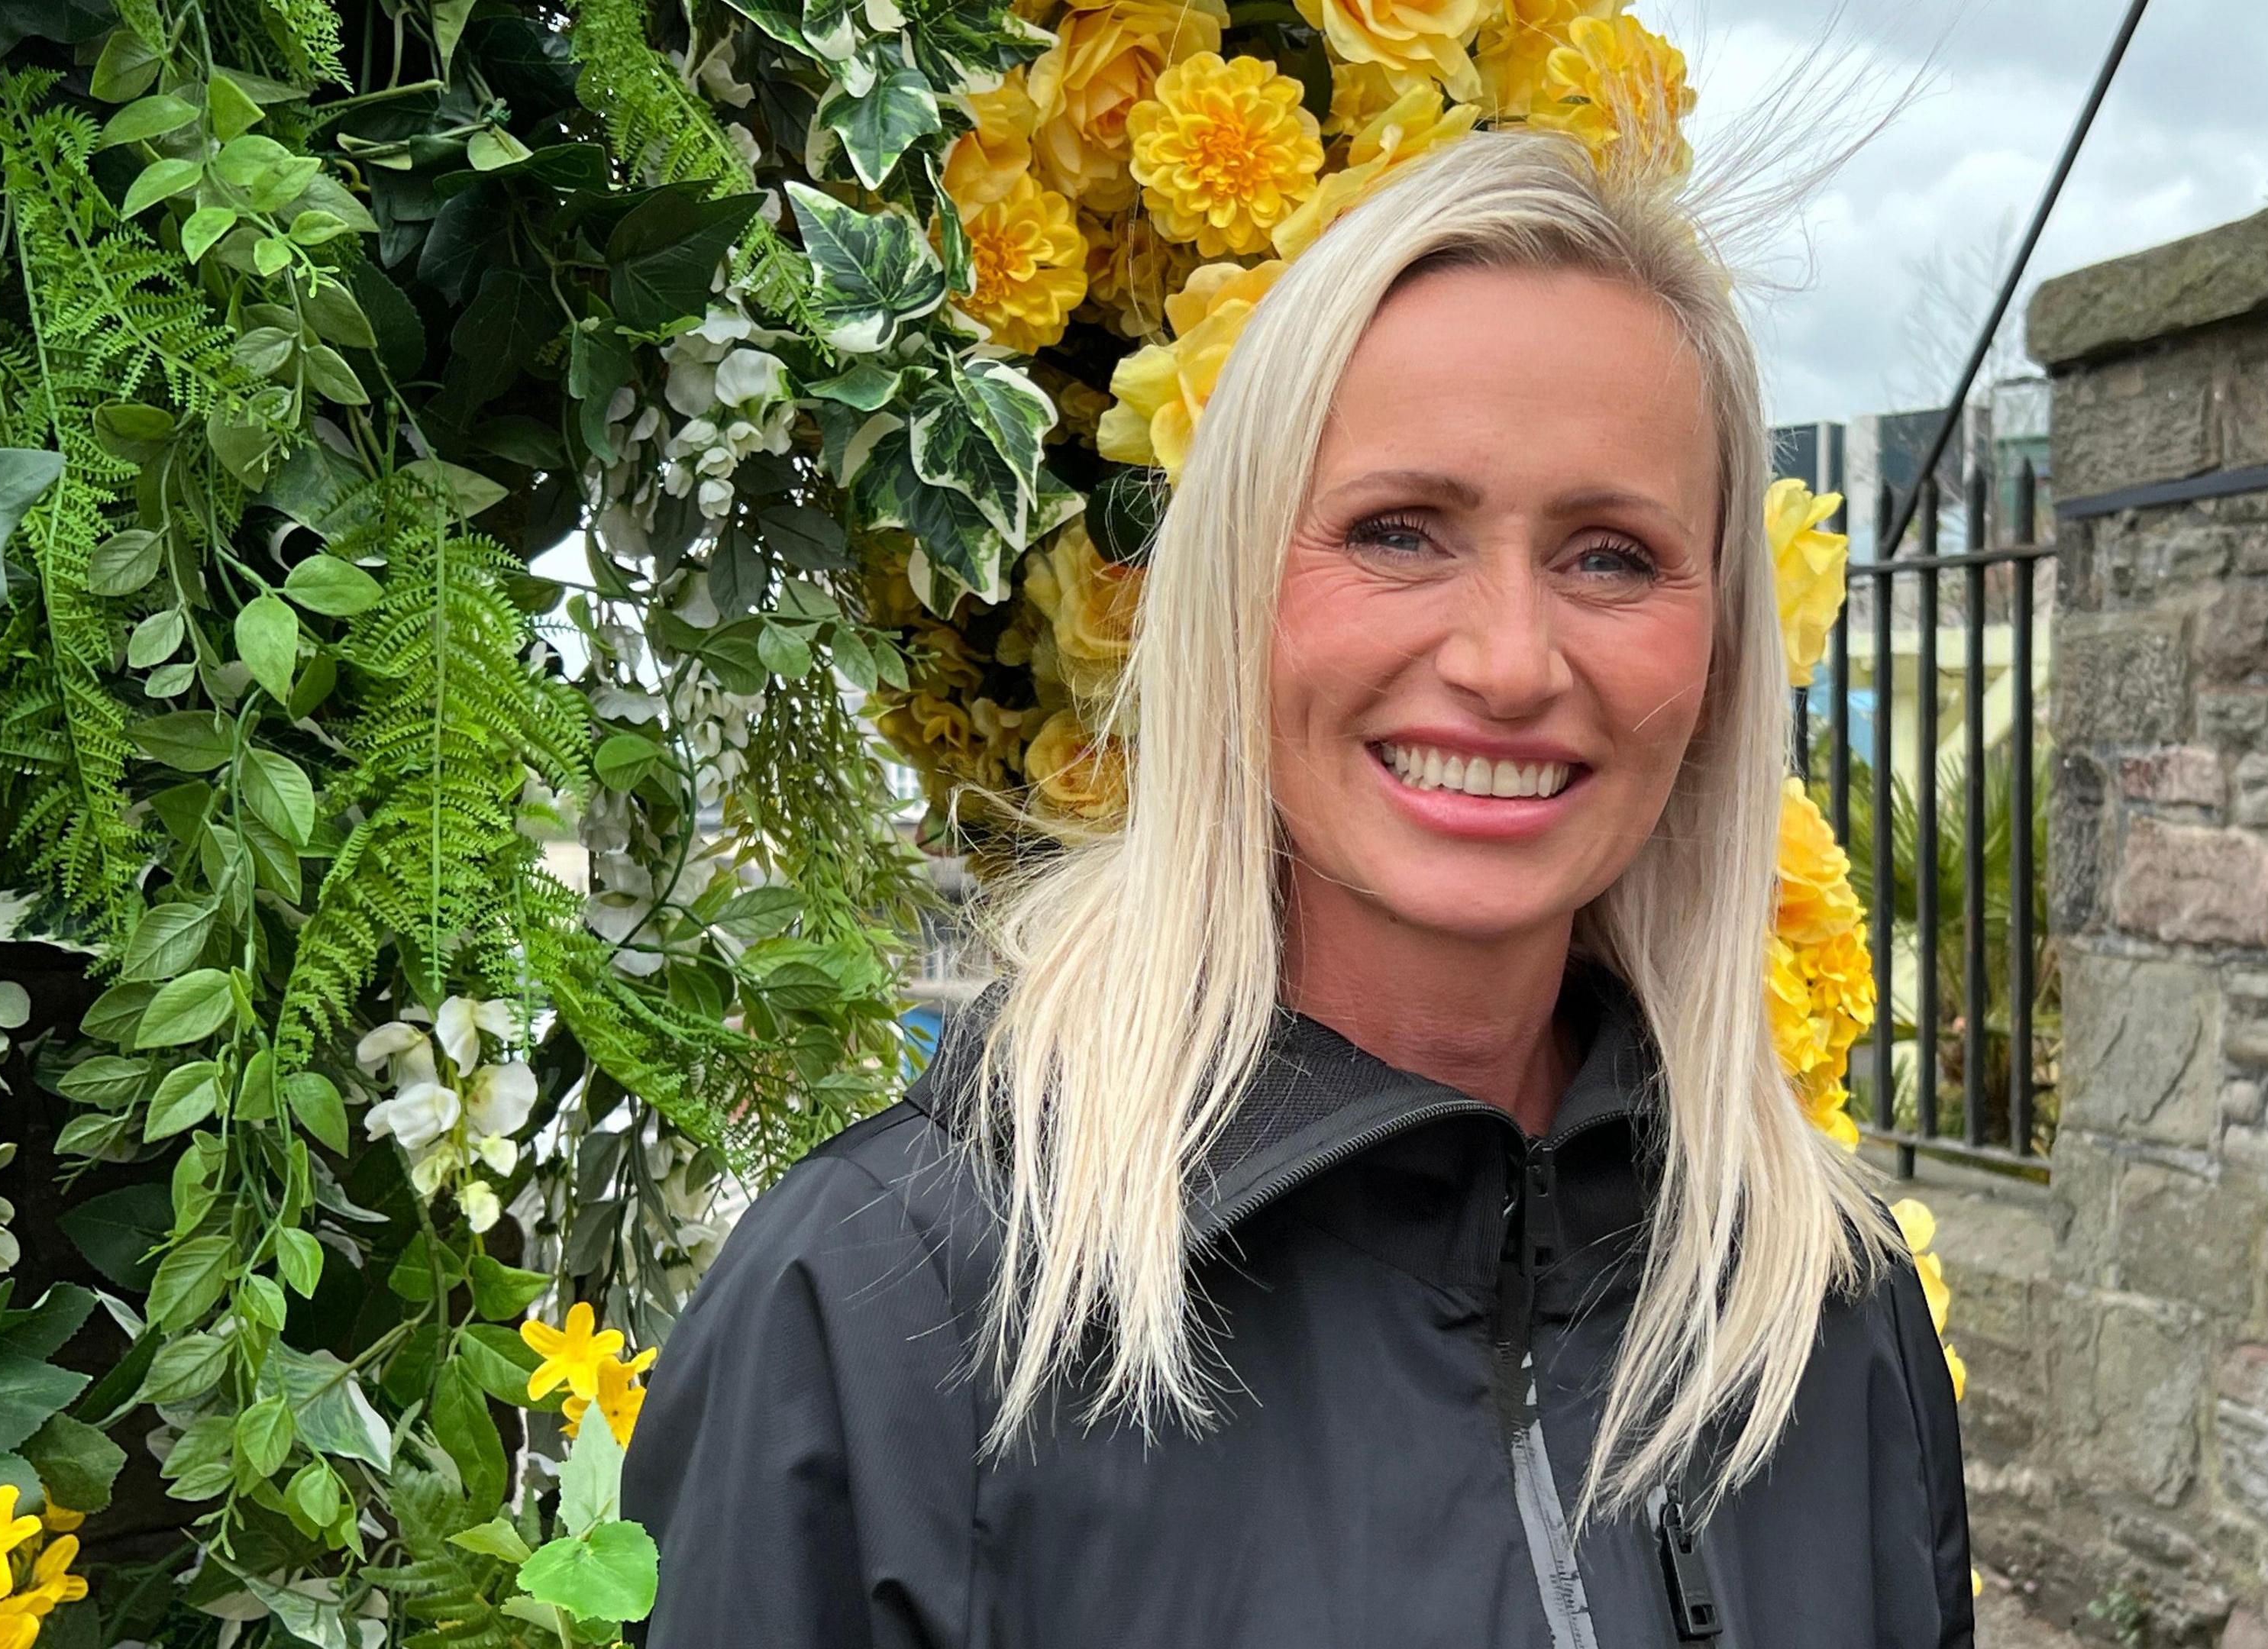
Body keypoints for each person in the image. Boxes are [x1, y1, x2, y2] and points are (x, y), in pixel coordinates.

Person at [622, 128, 1975, 1648]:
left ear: (1716, 654)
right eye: (1399, 534)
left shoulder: (1822, 1315)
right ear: (1238, 593)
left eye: (1610, 556)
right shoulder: (890, 1309)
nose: (1510, 662)